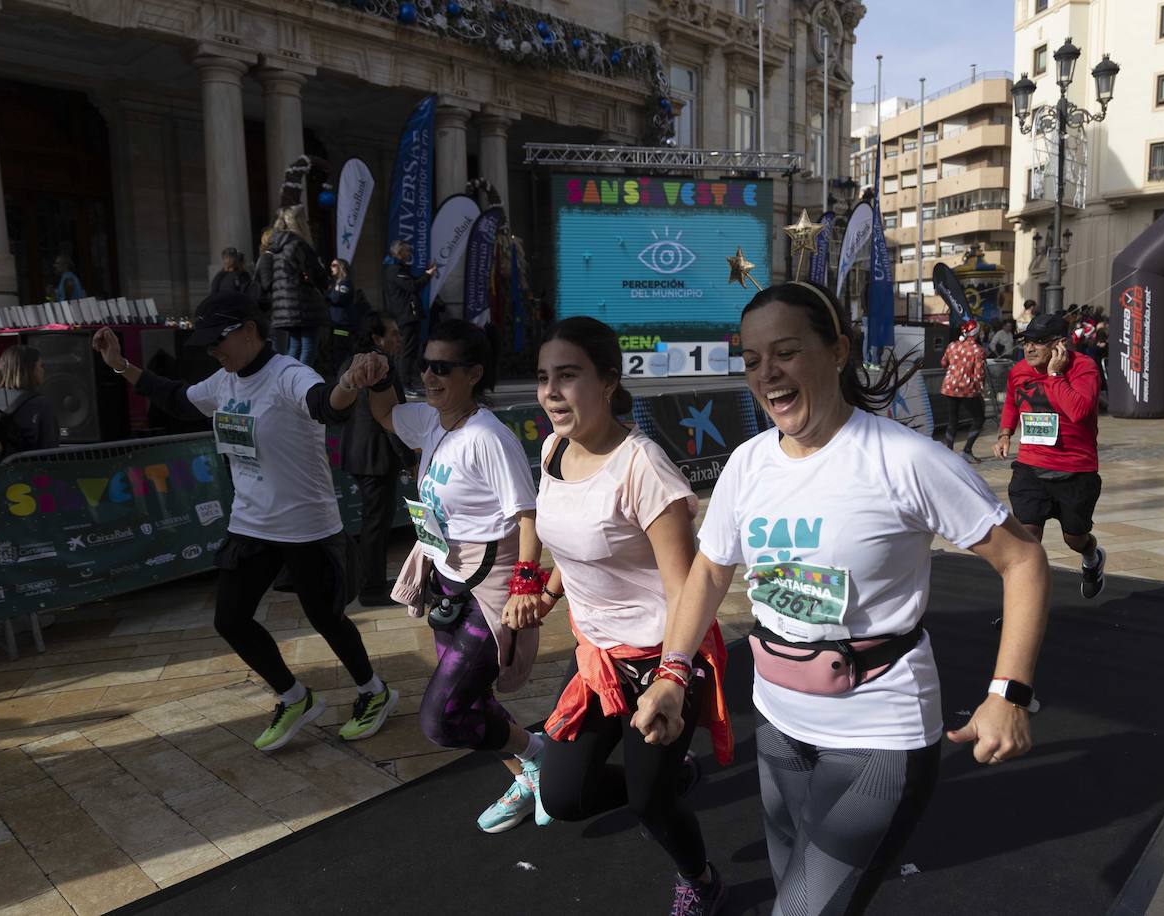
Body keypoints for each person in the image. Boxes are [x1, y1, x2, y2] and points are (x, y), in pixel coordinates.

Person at [631, 280, 1050, 916]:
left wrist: (1008, 693)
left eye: (786, 351)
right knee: (797, 893)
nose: (767, 373)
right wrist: (672, 671)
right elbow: (710, 573)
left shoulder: (904, 459)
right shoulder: (746, 465)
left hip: (878, 731)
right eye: (750, 360)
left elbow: (1022, 559)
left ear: (838, 352)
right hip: (777, 725)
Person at [91, 291, 399, 751]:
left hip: (305, 526)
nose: (214, 350)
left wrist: (350, 382)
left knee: (325, 617)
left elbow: (325, 406)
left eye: (220, 339)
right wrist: (119, 364)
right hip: (251, 525)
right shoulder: (224, 381)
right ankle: (294, 697)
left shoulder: (290, 375)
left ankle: (374, 692)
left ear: (250, 331)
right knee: (230, 619)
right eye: (208, 343)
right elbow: (175, 397)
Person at [531, 317, 732, 915]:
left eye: (568, 376)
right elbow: (573, 541)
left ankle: (699, 878)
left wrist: (673, 677)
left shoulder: (644, 468)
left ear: (609, 380)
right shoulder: (552, 449)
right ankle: (672, 776)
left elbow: (688, 587)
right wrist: (547, 592)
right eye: (543, 378)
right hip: (597, 658)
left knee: (650, 806)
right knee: (563, 797)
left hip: (661, 657)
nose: (551, 393)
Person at [358, 319, 546, 833]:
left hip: (489, 589)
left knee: (441, 719)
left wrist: (526, 585)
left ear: (474, 374)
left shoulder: (489, 437)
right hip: (446, 580)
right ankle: (531, 773)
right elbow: (383, 412)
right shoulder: (431, 421)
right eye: (424, 365)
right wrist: (378, 378)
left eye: (443, 368)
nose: (429, 376)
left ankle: (539, 756)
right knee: (470, 701)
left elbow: (528, 515)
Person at [992, 314, 1107, 600]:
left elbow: (1078, 412)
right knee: (1027, 542)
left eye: (1039, 342)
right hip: (1031, 467)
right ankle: (1020, 609)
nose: (1030, 348)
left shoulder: (1084, 368)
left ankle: (1092, 557)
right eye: (1026, 342)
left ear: (1060, 345)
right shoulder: (1019, 370)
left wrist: (1055, 376)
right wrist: (1005, 433)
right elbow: (1011, 401)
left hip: (1075, 470)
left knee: (1075, 538)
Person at [341, 312, 413, 606]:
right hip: (374, 455)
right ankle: (371, 588)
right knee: (375, 526)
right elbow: (392, 418)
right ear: (377, 338)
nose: (399, 339)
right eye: (393, 333)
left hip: (359, 453)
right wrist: (410, 458)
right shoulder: (381, 366)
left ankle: (371, 582)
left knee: (374, 524)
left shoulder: (353, 362)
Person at [258, 205, 328, 369]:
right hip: (303, 303)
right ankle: (299, 385)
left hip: (284, 305)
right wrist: (322, 283)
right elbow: (316, 272)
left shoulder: (275, 247)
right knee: (308, 348)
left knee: (295, 346)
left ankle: (286, 381)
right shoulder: (297, 244)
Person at [0, 345, 60, 457]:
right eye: (41, 365)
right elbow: (50, 449)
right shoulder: (40, 404)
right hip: (25, 470)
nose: (43, 370)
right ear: (29, 369)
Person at [381, 240, 437, 395]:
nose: (410, 254)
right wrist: (428, 275)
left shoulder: (398, 268)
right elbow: (412, 286)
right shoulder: (394, 269)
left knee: (407, 350)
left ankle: (404, 383)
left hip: (407, 315)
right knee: (406, 351)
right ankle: (404, 385)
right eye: (407, 251)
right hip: (405, 316)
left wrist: (425, 274)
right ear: (399, 253)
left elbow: (411, 283)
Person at [940, 319, 987, 463]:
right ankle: (966, 451)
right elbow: (979, 374)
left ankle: (948, 452)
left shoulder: (953, 345)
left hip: (949, 387)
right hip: (967, 390)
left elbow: (943, 363)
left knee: (952, 420)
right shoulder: (978, 350)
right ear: (977, 333)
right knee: (979, 418)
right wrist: (981, 390)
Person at [327, 258, 358, 373]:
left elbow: (337, 299)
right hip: (336, 323)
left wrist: (331, 292)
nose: (331, 267)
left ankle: (343, 374)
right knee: (337, 350)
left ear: (341, 267)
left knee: (341, 350)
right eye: (331, 265)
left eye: (334, 265)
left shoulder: (345, 283)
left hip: (343, 325)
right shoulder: (336, 283)